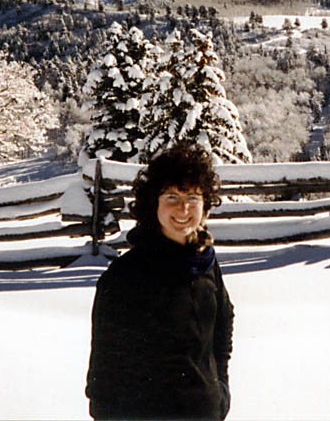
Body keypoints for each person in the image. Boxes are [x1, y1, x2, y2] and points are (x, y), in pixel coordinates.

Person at [86, 144, 234, 420]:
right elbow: (104, 376)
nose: (183, 208)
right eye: (171, 197)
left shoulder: (205, 263)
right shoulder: (126, 276)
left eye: (193, 196)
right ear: (153, 203)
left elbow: (223, 323)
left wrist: (220, 387)